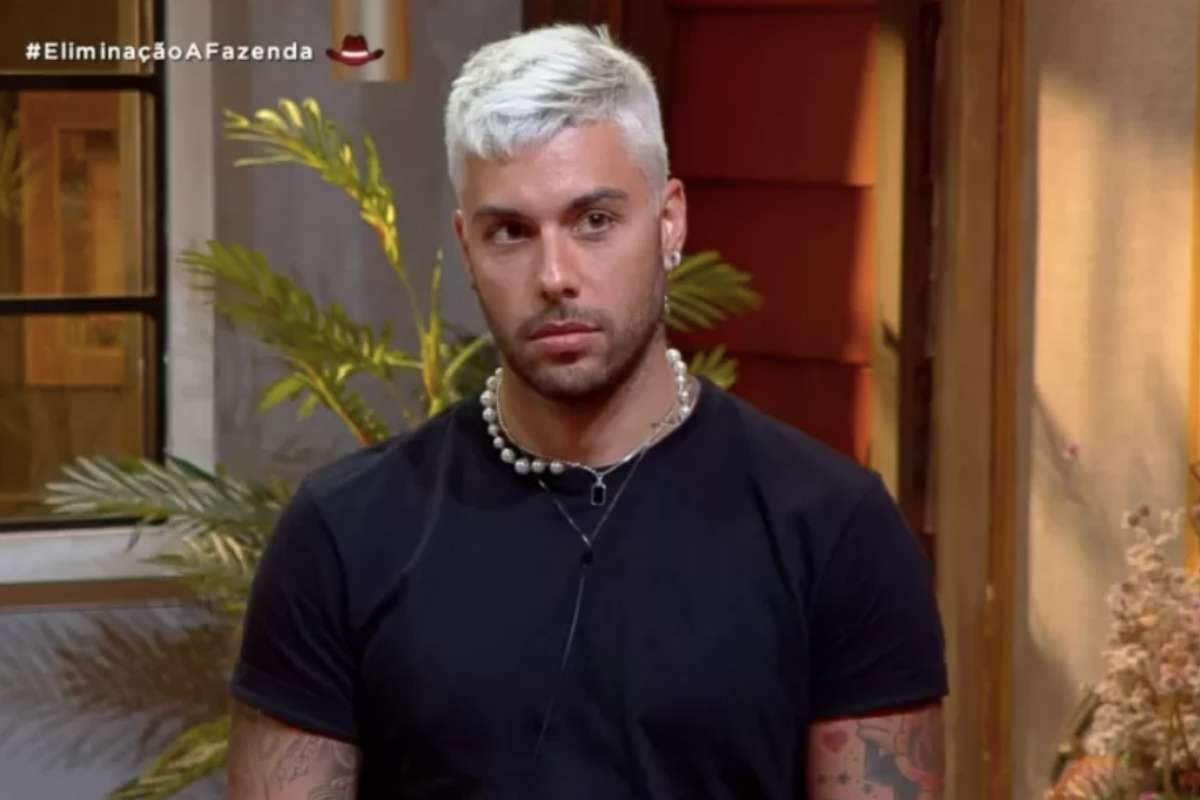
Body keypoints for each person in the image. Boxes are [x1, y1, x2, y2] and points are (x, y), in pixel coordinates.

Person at [226, 23, 948, 800]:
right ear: (467, 249)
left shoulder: (834, 530)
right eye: (511, 232)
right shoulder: (345, 532)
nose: (555, 275)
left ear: (669, 223)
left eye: (594, 221)